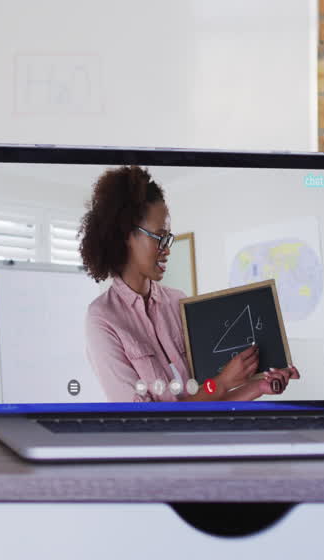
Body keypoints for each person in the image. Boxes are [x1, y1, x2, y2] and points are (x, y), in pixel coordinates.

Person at [78, 165, 299, 402]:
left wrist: (259, 387)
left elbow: (209, 400)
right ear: (125, 235)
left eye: (168, 238)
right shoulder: (102, 319)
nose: (167, 249)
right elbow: (145, 418)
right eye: (159, 237)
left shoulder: (177, 301)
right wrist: (222, 382)